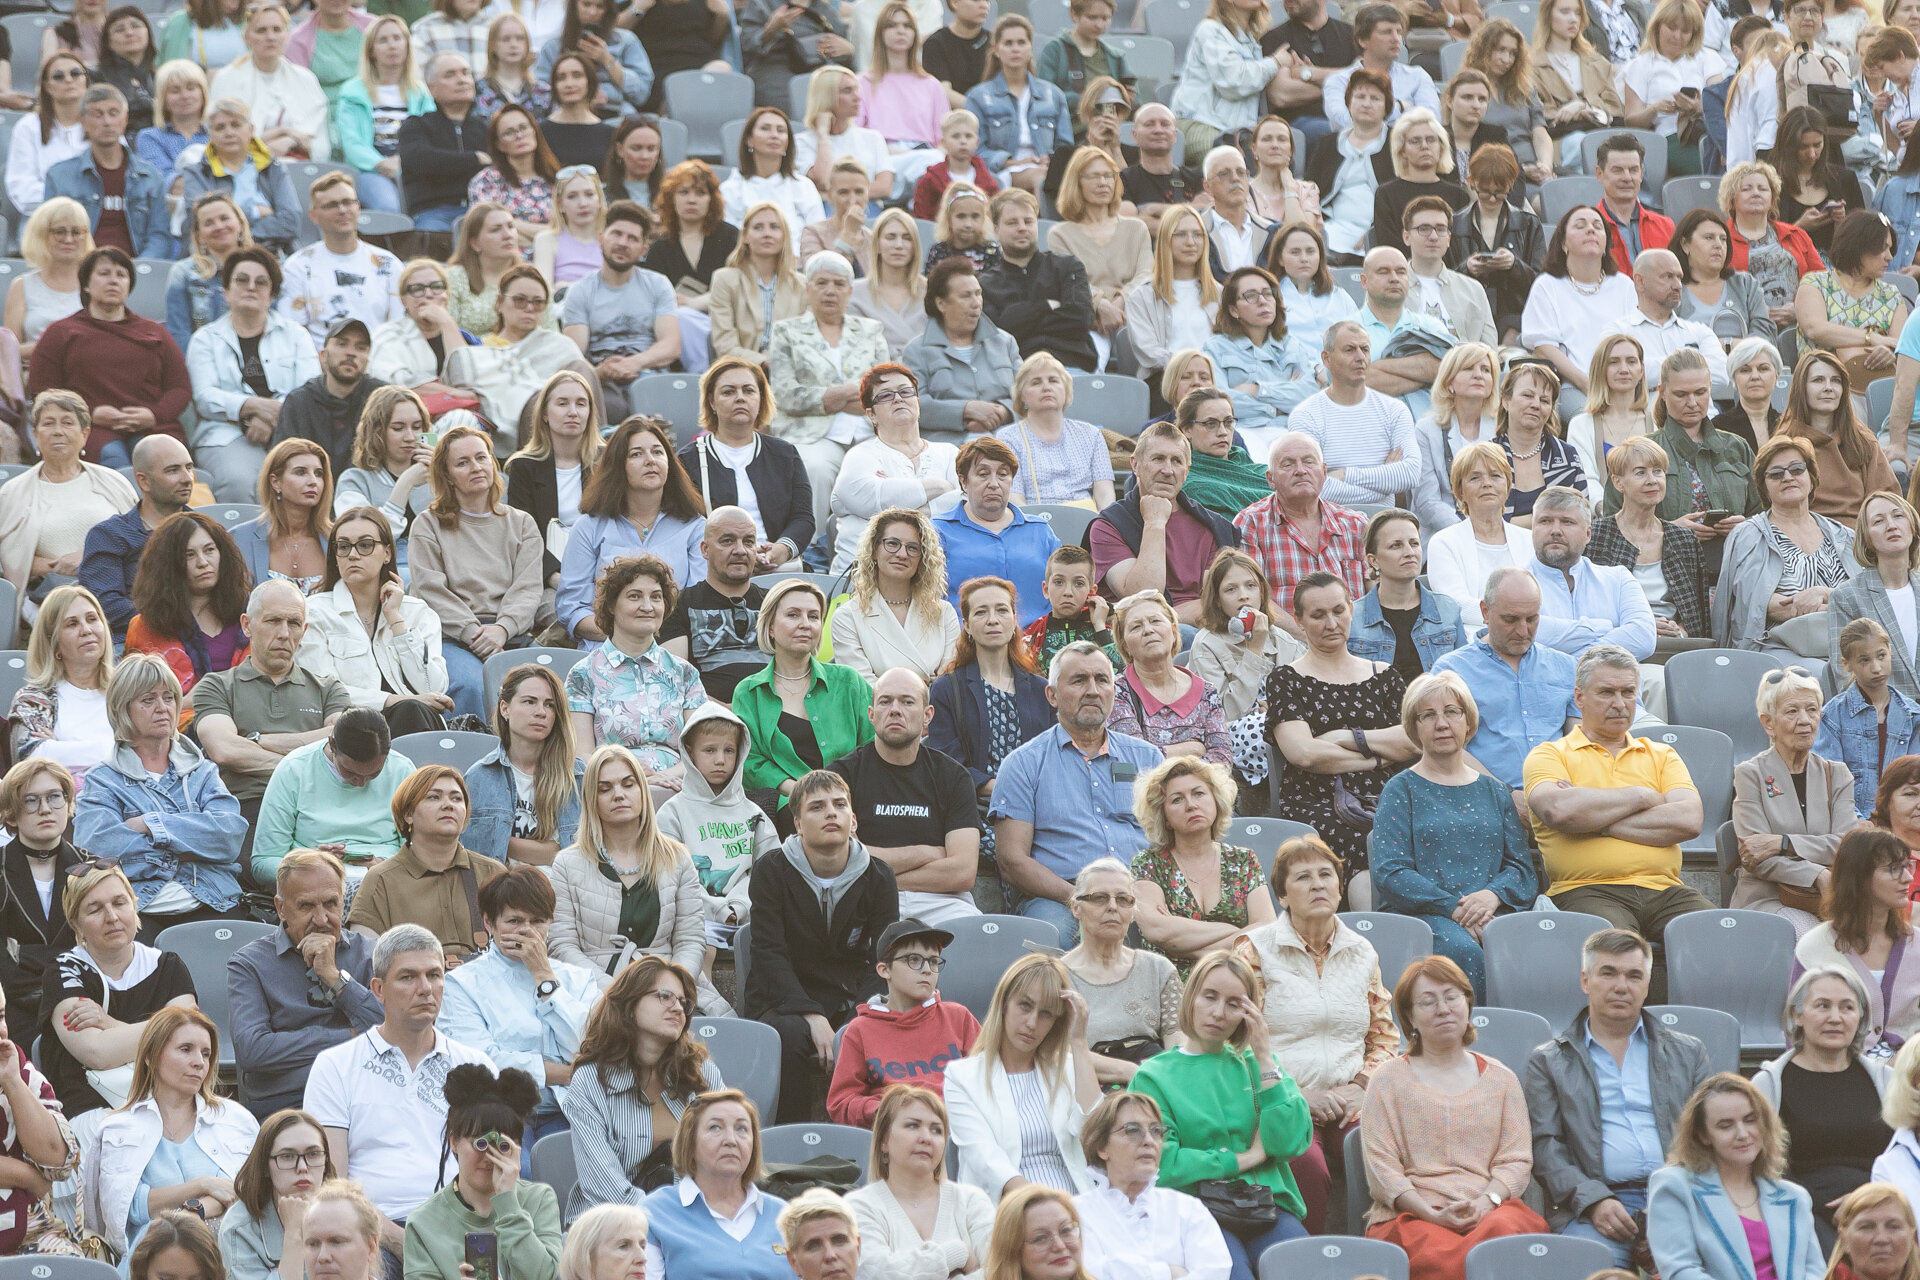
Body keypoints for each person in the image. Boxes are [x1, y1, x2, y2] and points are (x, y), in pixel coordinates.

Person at [1519, 926, 1713, 1266]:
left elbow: (1711, 1136)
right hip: (1595, 1206)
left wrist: (1677, 1194)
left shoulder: (1689, 1052)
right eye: (1608, 973)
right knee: (1584, 1268)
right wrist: (1594, 1201)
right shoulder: (1549, 1061)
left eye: (1634, 975)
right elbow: (1545, 1146)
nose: (1622, 986)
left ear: (1646, 985)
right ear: (1585, 981)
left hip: (1683, 1198)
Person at [1524, 644, 1711, 995]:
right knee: (1617, 951)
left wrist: (1596, 820)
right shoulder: (1550, 754)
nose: (1620, 703)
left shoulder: (1661, 754)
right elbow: (1558, 811)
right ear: (1579, 697)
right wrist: (1642, 796)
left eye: (1628, 692)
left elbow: (1689, 819)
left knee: (1716, 936)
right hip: (1587, 889)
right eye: (1606, 692)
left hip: (1665, 889)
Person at [298, 924, 493, 1257]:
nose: (425, 989)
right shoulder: (335, 1066)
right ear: (378, 989)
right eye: (407, 977)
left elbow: (493, 1172)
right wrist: (400, 1240)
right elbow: (331, 1181)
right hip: (369, 1232)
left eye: (434, 975)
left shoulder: (476, 1067)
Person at [1233, 836, 1393, 1234]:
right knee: (1306, 1164)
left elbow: (1385, 1038)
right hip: (1280, 1097)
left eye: (1326, 875)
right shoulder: (1254, 950)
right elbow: (1232, 1042)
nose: (1318, 884)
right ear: (1283, 896)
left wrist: (1360, 1085)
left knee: (1377, 1154)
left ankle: (1372, 1260)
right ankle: (1310, 1259)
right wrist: (1295, 1094)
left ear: (1340, 889)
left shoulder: (1362, 952)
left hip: (1349, 1098)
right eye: (1303, 877)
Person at [1360, 956, 1547, 1280]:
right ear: (1409, 1017)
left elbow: (1516, 1161)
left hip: (1489, 1211)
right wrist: (1429, 1214)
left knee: (1505, 1238)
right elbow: (1382, 1168)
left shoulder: (1502, 1079)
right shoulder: (1386, 1080)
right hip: (1413, 1216)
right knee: (1437, 1255)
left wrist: (1487, 1202)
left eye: (1451, 997)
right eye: (1428, 1002)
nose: (1443, 1009)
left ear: (1468, 1004)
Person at [1128, 950, 1311, 1278]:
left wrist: (1266, 1056)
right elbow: (1161, 1165)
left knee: (1302, 1269)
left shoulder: (1258, 1064)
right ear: (1191, 998)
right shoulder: (1153, 1076)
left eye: (1233, 1004)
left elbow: (1290, 1143)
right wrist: (1247, 1158)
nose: (1218, 1013)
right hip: (1194, 1209)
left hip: (1265, 1206)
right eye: (1209, 997)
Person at [743, 768, 900, 1121]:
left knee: (871, 1032)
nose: (831, 813)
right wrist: (811, 1014)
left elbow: (886, 962)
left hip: (850, 995)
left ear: (853, 820)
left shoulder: (879, 876)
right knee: (790, 1036)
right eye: (817, 807)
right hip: (782, 1000)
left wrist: (855, 1021)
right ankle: (791, 1146)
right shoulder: (771, 870)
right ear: (797, 823)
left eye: (839, 804)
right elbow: (768, 954)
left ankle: (862, 1143)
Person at [1372, 672, 1538, 998]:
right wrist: (1455, 908)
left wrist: (1492, 896)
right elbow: (1390, 871)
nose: (1442, 723)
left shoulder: (1494, 791)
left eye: (1451, 712)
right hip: (1424, 916)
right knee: (1465, 951)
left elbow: (1522, 870)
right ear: (1414, 727)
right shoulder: (1399, 789)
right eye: (1428, 715)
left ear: (1468, 722)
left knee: (1528, 952)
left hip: (1492, 912)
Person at [989, 641, 1164, 940]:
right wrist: (1081, 899)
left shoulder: (1148, 759)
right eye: (1079, 680)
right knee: (1048, 936)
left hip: (1142, 892)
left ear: (1114, 690)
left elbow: (1170, 842)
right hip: (1061, 898)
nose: (1093, 690)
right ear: (1052, 695)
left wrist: (1145, 897)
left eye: (1102, 680)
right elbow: (1011, 861)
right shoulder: (1022, 764)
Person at [74, 653, 247, 935]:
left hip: (213, 899)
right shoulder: (102, 780)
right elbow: (100, 848)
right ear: (123, 709)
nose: (162, 708)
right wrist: (190, 848)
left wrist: (150, 825)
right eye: (148, 700)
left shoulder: (202, 771)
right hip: (139, 911)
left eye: (168, 697)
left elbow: (229, 837)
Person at [437, 865, 598, 1153]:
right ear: (489, 923)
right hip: (497, 1112)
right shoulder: (461, 984)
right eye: (514, 920)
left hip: (572, 1112)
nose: (526, 930)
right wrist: (562, 1073)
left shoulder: (578, 979)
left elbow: (586, 1047)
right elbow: (480, 1063)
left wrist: (543, 976)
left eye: (537, 921)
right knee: (514, 1173)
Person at [546, 738, 718, 1003]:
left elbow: (690, 940)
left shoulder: (678, 857)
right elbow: (562, 946)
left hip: (671, 989)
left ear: (642, 790)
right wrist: (617, 992)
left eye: (628, 784)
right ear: (592, 799)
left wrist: (671, 987)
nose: (618, 794)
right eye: (605, 789)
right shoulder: (567, 864)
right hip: (596, 992)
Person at [84, 1006, 259, 1257]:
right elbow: (128, 1208)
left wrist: (195, 1209)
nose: (199, 1062)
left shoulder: (236, 1119)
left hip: (230, 1257)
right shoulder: (118, 1128)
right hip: (151, 1261)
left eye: (206, 1053)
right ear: (151, 1056)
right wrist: (204, 1185)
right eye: (185, 1049)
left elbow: (246, 1193)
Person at [1267, 571, 1415, 870]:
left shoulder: (1383, 675)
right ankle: (1368, 918)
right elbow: (1304, 754)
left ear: (1352, 608)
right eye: (1318, 615)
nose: (1331, 624)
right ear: (1299, 621)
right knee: (1363, 841)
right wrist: (1374, 760)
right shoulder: (1286, 679)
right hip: (1316, 801)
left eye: (1338, 611)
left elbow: (1412, 741)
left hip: (1390, 794)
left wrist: (1345, 737)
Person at [560, 952, 722, 1217]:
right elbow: (604, 1188)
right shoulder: (591, 1081)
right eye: (664, 996)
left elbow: (726, 1157)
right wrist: (671, 1222)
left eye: (683, 1002)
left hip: (694, 1219)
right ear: (629, 1006)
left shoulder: (701, 1072)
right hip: (612, 1227)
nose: (678, 1007)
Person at [36, 859, 200, 1115]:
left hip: (165, 1098)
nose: (111, 917)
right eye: (95, 909)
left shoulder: (168, 965)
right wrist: (168, 1029)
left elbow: (188, 1044)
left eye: (120, 903)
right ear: (76, 924)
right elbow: (97, 1053)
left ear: (134, 907)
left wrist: (106, 1022)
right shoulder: (63, 971)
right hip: (91, 1105)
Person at [227, 850, 383, 1115]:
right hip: (285, 1104)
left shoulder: (371, 954)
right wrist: (351, 1037)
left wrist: (335, 978)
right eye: (307, 906)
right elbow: (252, 1050)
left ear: (343, 900)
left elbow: (392, 1030)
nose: (321, 919)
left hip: (363, 1096)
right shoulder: (248, 963)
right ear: (281, 908)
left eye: (331, 903)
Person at [409, 424, 547, 721]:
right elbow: (431, 591)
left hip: (509, 633)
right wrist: (475, 634)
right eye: (463, 462)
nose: (476, 467)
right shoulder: (428, 524)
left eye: (481, 458)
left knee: (546, 686)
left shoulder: (522, 523)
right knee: (473, 685)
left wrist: (503, 629)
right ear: (447, 476)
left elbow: (528, 588)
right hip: (453, 636)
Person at [1753, 967, 1895, 1252]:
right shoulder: (1769, 1085)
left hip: (1883, 1207)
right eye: (1822, 1006)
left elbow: (1905, 1156)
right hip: (1803, 1212)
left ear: (1860, 1018)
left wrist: (1873, 1201)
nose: (1835, 1018)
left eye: (1847, 1008)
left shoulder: (1886, 1082)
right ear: (1797, 1015)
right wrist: (1816, 1205)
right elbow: (1763, 1165)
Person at [192, 580, 350, 832]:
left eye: (294, 623)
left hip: (316, 809)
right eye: (273, 621)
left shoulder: (328, 688)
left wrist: (254, 741)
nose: (285, 634)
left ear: (304, 630)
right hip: (245, 809)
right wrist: (307, 766)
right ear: (247, 625)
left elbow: (339, 743)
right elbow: (224, 749)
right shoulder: (217, 685)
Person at [941, 952, 1100, 1197]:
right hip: (1006, 1211)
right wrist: (1044, 1206)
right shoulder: (962, 1077)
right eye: (1025, 1006)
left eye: (1046, 1013)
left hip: (1076, 1205)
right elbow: (986, 1161)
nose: (1032, 1023)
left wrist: (1078, 1041)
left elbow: (1094, 1134)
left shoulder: (1068, 1068)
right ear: (1004, 1003)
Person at [1648, 1073, 1826, 1280]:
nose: (1742, 1134)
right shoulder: (1674, 1186)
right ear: (1703, 1134)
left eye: (1750, 1120)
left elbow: (1815, 1272)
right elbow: (1680, 1270)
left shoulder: (1794, 1196)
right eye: (1725, 1125)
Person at [295, 505, 452, 736]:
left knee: (412, 712)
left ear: (387, 553)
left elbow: (433, 688)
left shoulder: (417, 612)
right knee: (410, 709)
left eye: (365, 545)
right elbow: (323, 691)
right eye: (344, 546)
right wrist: (397, 700)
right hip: (350, 728)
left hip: (417, 724)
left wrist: (397, 622)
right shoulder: (315, 611)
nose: (353, 554)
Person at [732, 578, 875, 830]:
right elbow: (750, 761)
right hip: (789, 807)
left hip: (853, 801)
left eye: (813, 616)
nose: (805, 624)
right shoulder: (749, 691)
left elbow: (872, 746)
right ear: (771, 627)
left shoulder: (849, 682)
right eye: (793, 615)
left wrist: (838, 798)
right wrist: (801, 792)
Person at [26, 249, 189, 468]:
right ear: (85, 284)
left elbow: (180, 388)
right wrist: (88, 414)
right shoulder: (61, 332)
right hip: (85, 427)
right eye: (104, 273)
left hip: (152, 425)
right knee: (113, 459)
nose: (113, 280)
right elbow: (43, 390)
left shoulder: (155, 333)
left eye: (121, 275)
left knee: (155, 460)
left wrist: (154, 415)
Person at [561, 554, 706, 797]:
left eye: (656, 597)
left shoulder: (684, 672)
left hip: (679, 788)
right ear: (611, 606)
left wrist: (664, 778)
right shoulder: (583, 674)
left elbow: (701, 751)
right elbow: (583, 755)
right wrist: (631, 777)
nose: (648, 606)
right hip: (612, 789)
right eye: (634, 596)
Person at [1729, 667, 1861, 932]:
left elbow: (1846, 846)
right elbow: (1756, 857)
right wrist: (1817, 874)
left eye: (1812, 710)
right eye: (1792, 711)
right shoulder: (1749, 774)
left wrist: (1782, 842)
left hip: (1830, 899)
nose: (1805, 720)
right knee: (1810, 934)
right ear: (1768, 723)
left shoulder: (1837, 774)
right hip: (1768, 898)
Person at [401, 1063, 562, 1280]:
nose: (489, 1156)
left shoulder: (538, 1200)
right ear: (454, 1142)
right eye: (480, 1143)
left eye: (502, 1145)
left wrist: (508, 1204)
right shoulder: (424, 1223)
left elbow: (550, 1277)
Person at [186, 249, 323, 504]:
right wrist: (250, 407)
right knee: (240, 481)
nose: (251, 287)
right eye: (241, 280)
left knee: (305, 478)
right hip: (225, 432)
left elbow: (309, 390)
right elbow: (205, 397)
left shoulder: (295, 335)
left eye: (261, 282)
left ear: (271, 295)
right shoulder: (205, 339)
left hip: (290, 430)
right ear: (225, 292)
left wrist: (272, 420)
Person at [556, 417, 706, 642]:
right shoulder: (589, 527)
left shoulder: (694, 526)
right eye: (636, 454)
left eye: (657, 452)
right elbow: (572, 609)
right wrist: (624, 636)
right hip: (605, 649)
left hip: (672, 649)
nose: (650, 461)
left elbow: (699, 604)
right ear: (618, 465)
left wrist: (651, 636)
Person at [1126, 754, 1272, 974]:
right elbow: (1159, 931)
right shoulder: (1148, 863)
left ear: (1215, 801)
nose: (1191, 805)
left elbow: (1266, 932)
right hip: (1171, 986)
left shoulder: (1244, 860)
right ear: (1164, 816)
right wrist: (1234, 931)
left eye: (1199, 794)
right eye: (1177, 799)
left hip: (1239, 981)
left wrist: (1185, 945)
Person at [825, 919, 979, 1126]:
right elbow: (841, 1103)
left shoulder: (959, 1018)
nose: (927, 970)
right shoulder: (860, 1030)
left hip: (955, 1131)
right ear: (884, 970)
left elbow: (990, 1081)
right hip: (892, 1137)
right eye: (914, 960)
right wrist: (885, 1109)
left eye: (933, 961)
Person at [344, 765, 507, 958]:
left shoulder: (493, 873)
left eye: (456, 798)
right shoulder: (381, 879)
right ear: (408, 814)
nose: (449, 805)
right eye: (433, 797)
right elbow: (364, 960)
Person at [1714, 434, 1859, 650]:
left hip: (1846, 644)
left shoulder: (1844, 535)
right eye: (1776, 474)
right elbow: (1756, 603)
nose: (1788, 477)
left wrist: (1824, 594)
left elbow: (1864, 595)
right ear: (1764, 487)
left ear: (1812, 479)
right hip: (1778, 645)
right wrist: (1826, 609)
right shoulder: (1747, 535)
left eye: (1797, 469)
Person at [249, 711, 415, 891]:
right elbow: (263, 861)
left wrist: (387, 868)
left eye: (374, 774)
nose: (361, 783)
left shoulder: (402, 770)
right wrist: (307, 866)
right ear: (332, 745)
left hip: (387, 882)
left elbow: (420, 851)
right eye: (350, 772)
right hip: (312, 885)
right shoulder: (294, 769)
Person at [655, 703, 779, 936]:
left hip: (751, 916)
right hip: (689, 919)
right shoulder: (671, 813)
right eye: (709, 750)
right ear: (689, 752)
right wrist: (717, 910)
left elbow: (771, 874)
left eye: (729, 750)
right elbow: (667, 877)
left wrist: (739, 906)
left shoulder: (755, 815)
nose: (720, 760)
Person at [640, 1088, 790, 1280]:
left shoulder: (783, 1216)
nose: (731, 1140)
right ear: (690, 1143)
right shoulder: (654, 1213)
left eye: (742, 1129)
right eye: (715, 1128)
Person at [1797, 826, 1920, 1055]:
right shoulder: (1814, 947)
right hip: (1838, 1069)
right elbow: (1797, 1032)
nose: (1908, 878)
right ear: (1860, 877)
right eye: (1894, 869)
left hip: (1910, 1071)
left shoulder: (1917, 944)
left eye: (1907, 866)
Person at [828, 367, 960, 574]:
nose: (898, 399)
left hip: (939, 575)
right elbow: (865, 497)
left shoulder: (949, 453)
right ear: (871, 414)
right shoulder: (860, 455)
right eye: (886, 395)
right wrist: (940, 487)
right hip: (863, 578)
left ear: (917, 401)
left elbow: (965, 504)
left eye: (905, 392)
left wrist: (892, 503)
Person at [121, 511, 248, 715]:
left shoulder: (251, 616)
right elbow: (140, 707)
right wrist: (191, 702)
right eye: (189, 555)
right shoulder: (145, 627)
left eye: (209, 550)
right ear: (169, 565)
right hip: (178, 733)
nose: (203, 562)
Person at [1587, 435, 1712, 643]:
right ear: (1618, 482)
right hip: (1617, 646)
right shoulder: (1597, 536)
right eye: (1640, 473)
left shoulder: (1684, 539)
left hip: (1674, 647)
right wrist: (1641, 627)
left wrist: (1679, 632)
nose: (1652, 480)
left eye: (1658, 471)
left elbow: (1697, 617)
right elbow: (1588, 610)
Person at [463, 662, 582, 869]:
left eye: (549, 705)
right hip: (499, 890)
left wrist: (502, 841)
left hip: (562, 891)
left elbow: (574, 853)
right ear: (505, 708)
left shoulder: (577, 776)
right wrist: (545, 850)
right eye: (529, 702)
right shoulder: (479, 778)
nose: (541, 712)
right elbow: (471, 853)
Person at [1199, 266, 1319, 456]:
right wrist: (1279, 403)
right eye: (1251, 296)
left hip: (1289, 428)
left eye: (1267, 294)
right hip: (1242, 431)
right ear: (1233, 310)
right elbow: (1219, 404)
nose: (1262, 301)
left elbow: (1310, 396)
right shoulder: (1214, 348)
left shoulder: (1290, 345)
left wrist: (1257, 390)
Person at [1526, 486, 1657, 660]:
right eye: (1545, 521)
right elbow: (1525, 634)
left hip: (1613, 685)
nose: (1555, 530)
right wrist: (1602, 627)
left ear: (1588, 534)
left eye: (1567, 522)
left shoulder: (1618, 579)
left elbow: (1643, 637)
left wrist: (1576, 663)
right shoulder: (1514, 583)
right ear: (1532, 529)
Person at [0, 758, 81, 1034]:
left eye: (54, 797)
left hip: (82, 1004)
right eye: (30, 801)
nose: (45, 809)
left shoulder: (95, 870)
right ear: (11, 814)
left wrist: (29, 955)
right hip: (11, 1007)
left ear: (69, 805)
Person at [1522, 206, 1639, 397]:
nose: (1591, 230)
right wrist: (1587, 384)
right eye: (1580, 226)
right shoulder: (1547, 285)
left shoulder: (1624, 285)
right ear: (1563, 244)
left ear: (1606, 244)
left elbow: (1636, 340)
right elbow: (1544, 347)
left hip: (1623, 386)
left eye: (1597, 226)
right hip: (1572, 387)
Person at [42, 84, 168, 259]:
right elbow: (50, 234)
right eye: (97, 114)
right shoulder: (59, 176)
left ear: (125, 119)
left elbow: (159, 237)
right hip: (79, 269)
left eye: (113, 113)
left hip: (135, 272)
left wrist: (139, 270)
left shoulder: (150, 177)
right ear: (83, 122)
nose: (107, 122)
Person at [278, 175, 403, 350]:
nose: (342, 210)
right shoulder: (297, 267)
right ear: (314, 216)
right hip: (322, 368)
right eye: (331, 205)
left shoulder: (388, 265)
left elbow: (399, 329)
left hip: (380, 363)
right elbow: (295, 333)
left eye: (348, 202)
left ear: (358, 207)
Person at [1107, 589, 1231, 764]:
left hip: (1200, 789)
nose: (1148, 630)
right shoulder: (1116, 692)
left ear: (1174, 631)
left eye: (1156, 621)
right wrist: (1192, 749)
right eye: (1136, 627)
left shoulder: (1207, 692)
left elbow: (1223, 759)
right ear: (1125, 645)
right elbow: (1132, 758)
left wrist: (1161, 757)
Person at [7, 585, 116, 786]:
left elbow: (152, 752)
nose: (86, 630)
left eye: (92, 619)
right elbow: (32, 760)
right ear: (53, 643)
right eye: (72, 624)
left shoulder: (127, 692)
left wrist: (61, 749)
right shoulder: (34, 699)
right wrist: (117, 749)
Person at [978, 188, 1097, 371]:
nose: (1022, 228)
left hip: (1071, 365)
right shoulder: (985, 284)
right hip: (1016, 370)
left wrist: (1018, 316)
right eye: (1012, 222)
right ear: (996, 230)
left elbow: (1080, 319)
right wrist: (1047, 305)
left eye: (1028, 221)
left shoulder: (1068, 267)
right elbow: (999, 335)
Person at [218, 1109, 339, 1280]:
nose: (303, 1167)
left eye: (313, 1154)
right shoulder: (240, 1228)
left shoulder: (345, 1213)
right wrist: (293, 1235)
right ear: (265, 1167)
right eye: (287, 1156)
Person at [906, 258, 1020, 437]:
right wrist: (965, 411)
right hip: (948, 447)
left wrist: (1004, 412)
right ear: (941, 303)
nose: (976, 303)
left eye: (978, 293)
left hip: (1006, 441)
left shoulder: (1005, 342)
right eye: (966, 296)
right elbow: (913, 406)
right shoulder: (916, 351)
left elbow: (1029, 395)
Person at [1425, 444, 1535, 626]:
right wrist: (1513, 618)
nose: (1487, 483)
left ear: (1507, 486)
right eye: (1475, 478)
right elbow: (1454, 604)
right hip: (1469, 642)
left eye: (1495, 476)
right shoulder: (1443, 542)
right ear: (1460, 491)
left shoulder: (1530, 541)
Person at [1820, 618, 1920, 817]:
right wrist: (1858, 821)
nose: (1876, 667)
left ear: (1890, 651)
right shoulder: (1832, 716)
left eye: (1881, 656)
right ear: (1847, 664)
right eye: (1864, 660)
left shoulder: (1913, 715)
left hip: (1902, 823)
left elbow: (1915, 782)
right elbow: (1828, 783)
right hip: (1851, 825)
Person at [177, 98, 304, 254]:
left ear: (250, 130)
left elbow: (291, 222)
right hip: (216, 256)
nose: (229, 132)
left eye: (236, 125)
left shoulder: (273, 168)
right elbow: (201, 222)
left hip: (272, 253)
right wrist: (255, 212)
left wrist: (232, 228)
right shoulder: (196, 173)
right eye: (220, 127)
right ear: (209, 134)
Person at [990, 352, 1113, 510]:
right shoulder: (1007, 438)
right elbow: (1014, 498)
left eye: (1053, 380)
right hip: (1035, 523)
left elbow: (1105, 496)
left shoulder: (1091, 434)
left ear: (1066, 390)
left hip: (1086, 524)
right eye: (1036, 382)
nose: (1046, 387)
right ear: (1022, 396)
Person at [1830, 492, 1920, 702]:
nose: (1891, 525)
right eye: (1879, 521)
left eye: (1898, 516)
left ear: (1912, 527)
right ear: (1866, 538)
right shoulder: (1846, 598)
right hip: (1883, 721)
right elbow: (1846, 677)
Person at [1721, 160, 1826, 330]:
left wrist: (1800, 309)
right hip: (1744, 328)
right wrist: (1756, 312)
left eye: (1762, 189)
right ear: (1732, 199)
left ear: (1772, 198)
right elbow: (1713, 290)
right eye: (1746, 189)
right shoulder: (1720, 239)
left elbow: (1821, 283)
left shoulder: (1796, 235)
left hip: (1800, 325)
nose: (1756, 193)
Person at [398, 54, 490, 233]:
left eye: (466, 73)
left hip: (482, 211)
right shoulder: (416, 126)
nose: (462, 80)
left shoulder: (486, 128)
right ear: (431, 88)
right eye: (450, 75)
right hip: (434, 212)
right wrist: (475, 158)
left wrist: (447, 163)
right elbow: (422, 160)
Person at [367, 259, 481, 398]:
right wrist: (453, 393)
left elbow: (470, 380)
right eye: (417, 289)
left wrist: (446, 322)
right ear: (404, 300)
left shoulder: (463, 337)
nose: (428, 294)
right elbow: (394, 382)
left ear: (447, 295)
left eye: (437, 286)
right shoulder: (387, 336)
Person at [1671, 209, 1775, 352]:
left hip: (1744, 368)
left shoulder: (1746, 285)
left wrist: (1727, 345)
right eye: (1708, 237)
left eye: (1723, 239)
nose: (1718, 245)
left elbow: (1765, 337)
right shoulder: (1673, 289)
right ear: (1685, 244)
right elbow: (1667, 341)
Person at [6, 197, 88, 369]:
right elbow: (7, 349)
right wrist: (50, 346)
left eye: (76, 232)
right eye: (59, 232)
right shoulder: (22, 285)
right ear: (42, 235)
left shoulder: (93, 284)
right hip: (34, 375)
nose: (68, 239)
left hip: (86, 376)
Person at [5, 54, 88, 220]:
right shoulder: (28, 127)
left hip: (96, 217)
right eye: (58, 76)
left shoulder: (103, 122)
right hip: (44, 218)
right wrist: (70, 198)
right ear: (47, 86)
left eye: (75, 73)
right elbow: (22, 188)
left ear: (86, 80)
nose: (68, 80)